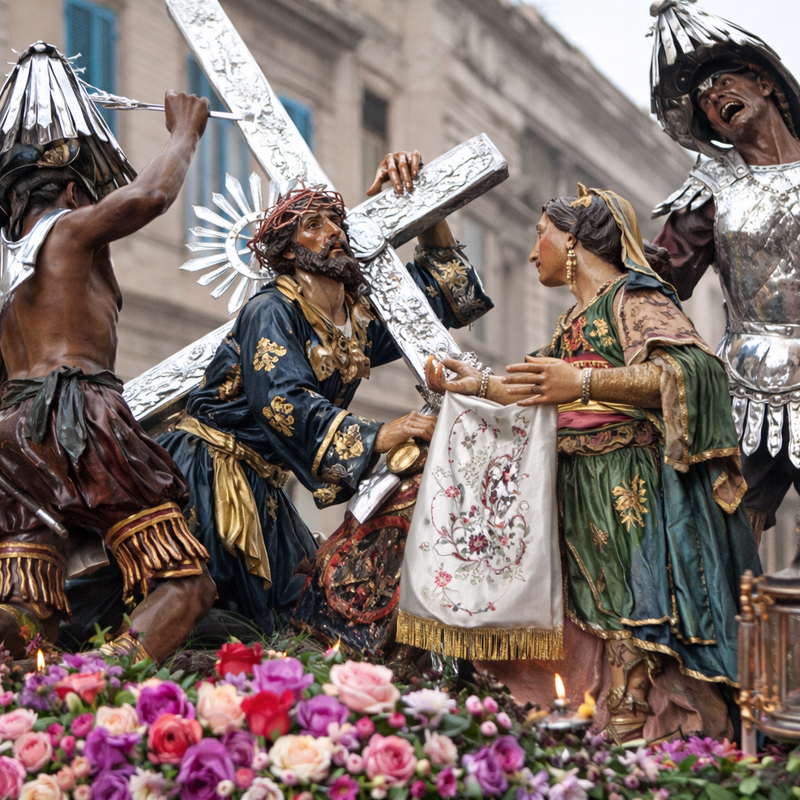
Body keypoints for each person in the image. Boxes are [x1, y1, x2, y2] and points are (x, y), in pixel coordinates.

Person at [427, 184, 761, 741]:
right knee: (592, 612)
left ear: (576, 241)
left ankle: (651, 730)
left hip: (629, 481)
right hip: (576, 481)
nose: (535, 253)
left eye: (542, 236)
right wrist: (478, 383)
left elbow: (687, 372)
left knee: (636, 609)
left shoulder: (635, 300)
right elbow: (537, 386)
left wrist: (581, 382)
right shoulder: (573, 321)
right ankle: (605, 725)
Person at [153, 151, 493, 635]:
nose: (333, 231)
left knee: (304, 616)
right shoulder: (270, 310)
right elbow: (282, 401)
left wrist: (422, 204)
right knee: (231, 613)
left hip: (262, 487)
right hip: (209, 477)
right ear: (289, 252)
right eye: (314, 225)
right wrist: (380, 434)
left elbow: (445, 300)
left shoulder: (350, 326)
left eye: (336, 221)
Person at [0, 42, 215, 662]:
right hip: (77, 413)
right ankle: (95, 683)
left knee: (27, 606)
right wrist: (184, 134)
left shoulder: (7, 290)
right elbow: (150, 196)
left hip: (11, 433)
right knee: (186, 582)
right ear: (70, 192)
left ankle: (27, 701)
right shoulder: (68, 230)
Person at [648, 0, 800, 545]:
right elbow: (657, 283)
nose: (715, 102)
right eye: (705, 105)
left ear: (761, 80)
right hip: (744, 386)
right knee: (715, 538)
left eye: (722, 84)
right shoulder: (711, 192)